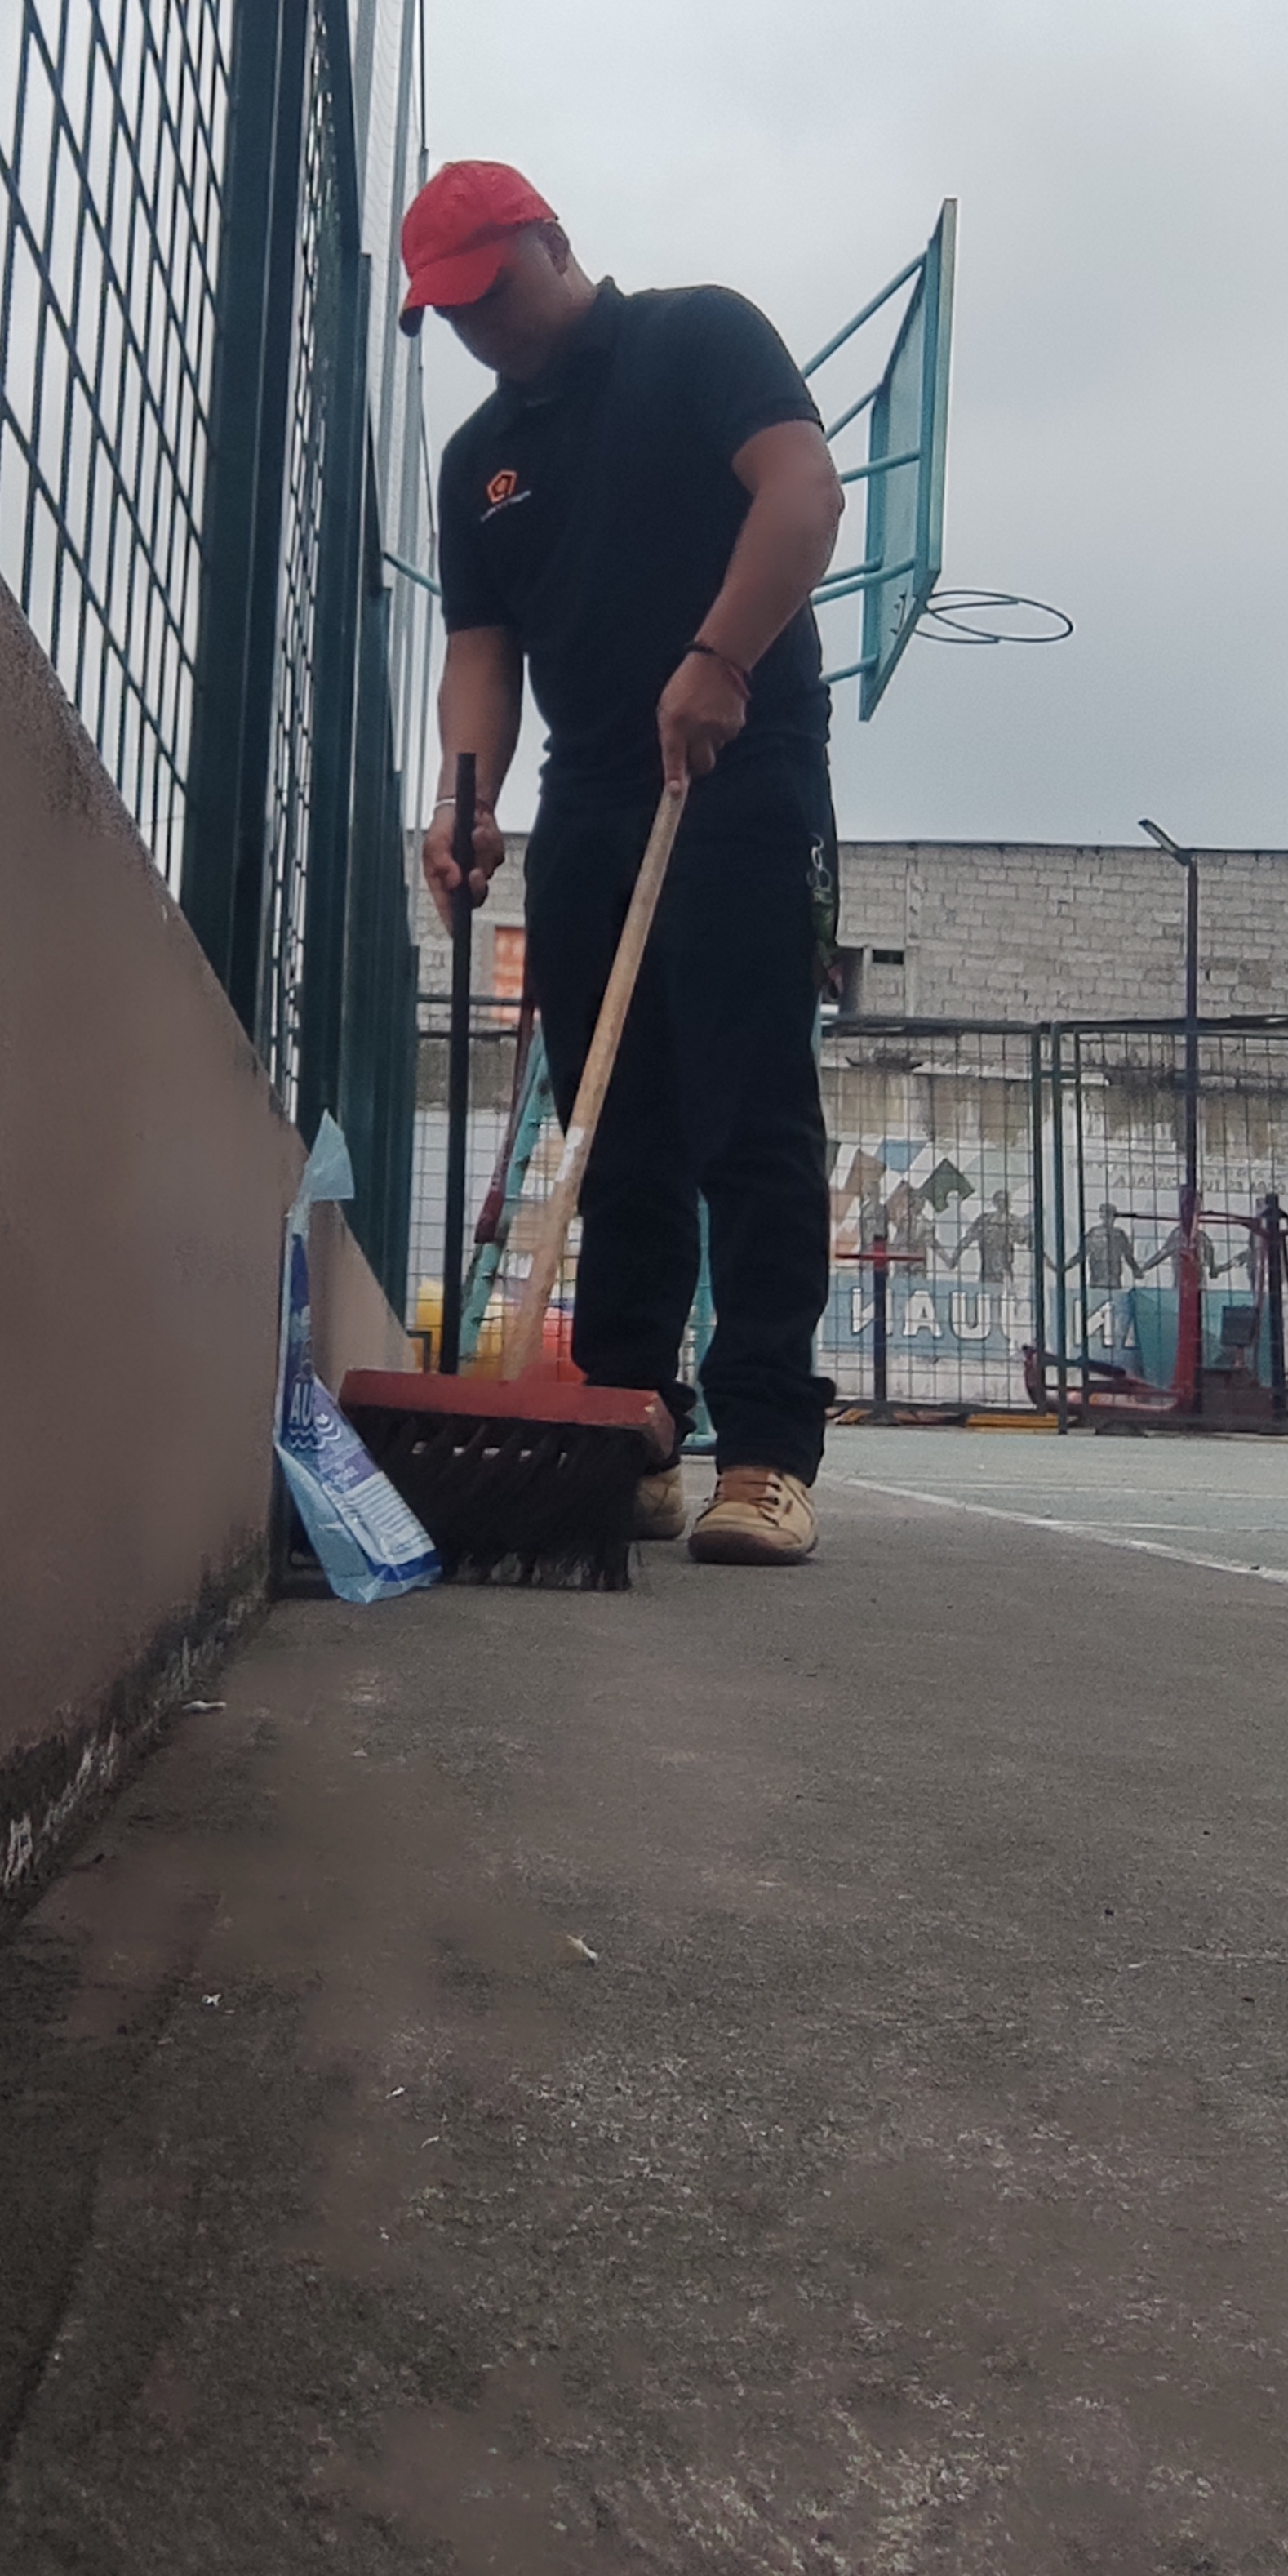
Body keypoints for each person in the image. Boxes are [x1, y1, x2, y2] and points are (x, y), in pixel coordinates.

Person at [408, 159, 844, 1565]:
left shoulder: (697, 337)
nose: (480, 327)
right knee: (612, 1129)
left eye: (491, 291)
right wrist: (465, 799)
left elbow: (804, 491)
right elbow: (483, 654)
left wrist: (722, 658)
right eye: (451, 313)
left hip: (741, 757)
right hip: (592, 791)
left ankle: (765, 1451)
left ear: (552, 241)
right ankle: (625, 1423)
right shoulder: (478, 461)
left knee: (748, 1109)